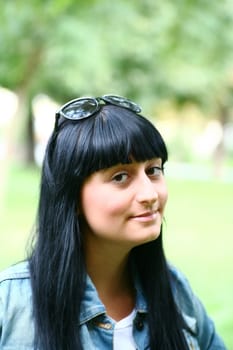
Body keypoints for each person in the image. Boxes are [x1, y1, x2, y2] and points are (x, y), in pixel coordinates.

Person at [0, 95, 226, 350]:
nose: (150, 194)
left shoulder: (176, 292)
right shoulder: (10, 304)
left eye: (153, 171)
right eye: (120, 177)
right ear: (71, 197)